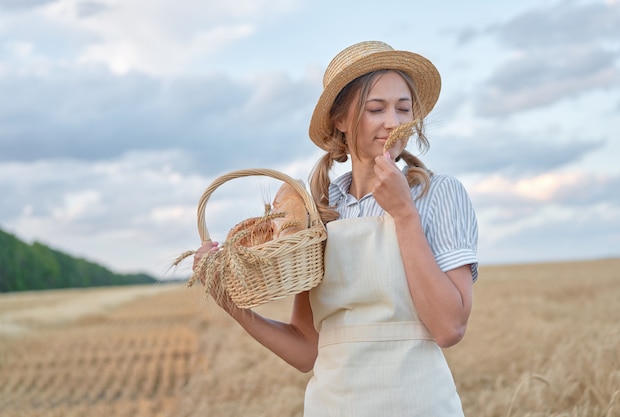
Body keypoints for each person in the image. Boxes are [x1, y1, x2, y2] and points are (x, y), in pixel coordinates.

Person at [193, 40, 478, 416]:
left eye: (403, 108)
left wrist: (404, 213)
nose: (393, 122)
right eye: (376, 109)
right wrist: (231, 303)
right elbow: (306, 348)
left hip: (420, 403)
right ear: (340, 120)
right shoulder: (320, 210)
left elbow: (449, 328)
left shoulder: (438, 193)